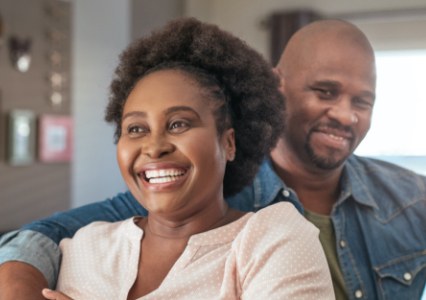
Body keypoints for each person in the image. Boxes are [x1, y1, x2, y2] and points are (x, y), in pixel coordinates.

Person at [1, 18, 426, 300]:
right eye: (326, 91)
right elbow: (43, 234)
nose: (345, 114)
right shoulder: (124, 223)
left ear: (228, 142)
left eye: (363, 101)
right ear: (277, 86)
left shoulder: (410, 200)